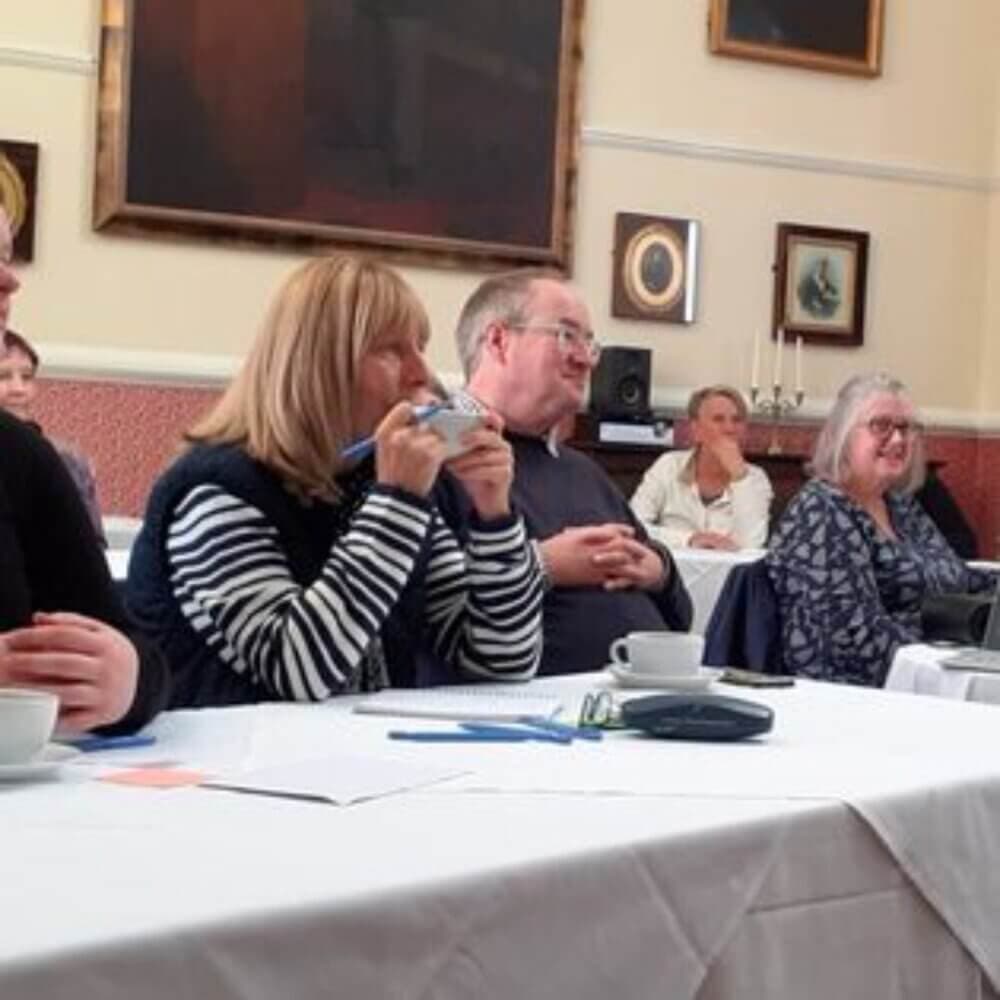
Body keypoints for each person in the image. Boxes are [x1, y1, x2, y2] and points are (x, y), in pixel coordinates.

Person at [126, 254, 542, 707]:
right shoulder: (215, 491)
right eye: (389, 350)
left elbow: (503, 661)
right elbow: (300, 672)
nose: (421, 372)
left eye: (419, 347)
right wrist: (398, 501)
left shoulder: (381, 481)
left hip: (362, 763)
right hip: (224, 766)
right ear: (319, 367)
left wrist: (494, 516)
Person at [453, 268, 692, 676]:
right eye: (565, 335)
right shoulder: (440, 455)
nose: (585, 358)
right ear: (498, 340)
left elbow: (680, 613)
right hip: (518, 716)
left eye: (589, 342)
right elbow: (435, 614)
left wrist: (658, 572)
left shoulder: (583, 471)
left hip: (645, 702)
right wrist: (545, 564)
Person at [0, 210, 168, 734]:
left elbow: (134, 648)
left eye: (5, 257)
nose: (10, 282)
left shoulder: (18, 455)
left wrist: (124, 682)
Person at [766, 372, 995, 687]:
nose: (899, 439)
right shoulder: (822, 511)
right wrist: (942, 664)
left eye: (905, 428)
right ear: (842, 436)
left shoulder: (900, 505)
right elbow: (851, 638)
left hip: (926, 672)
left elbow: (961, 580)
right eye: (881, 426)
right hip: (858, 692)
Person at [630, 385, 772, 550]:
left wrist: (740, 477)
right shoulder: (668, 466)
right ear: (696, 429)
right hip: (672, 570)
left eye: (737, 420)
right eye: (718, 419)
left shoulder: (757, 479)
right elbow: (632, 527)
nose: (730, 429)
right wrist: (689, 540)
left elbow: (752, 545)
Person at [0, 326, 106, 545]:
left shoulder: (66, 458)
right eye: (3, 376)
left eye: (27, 377)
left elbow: (92, 542)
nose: (18, 389)